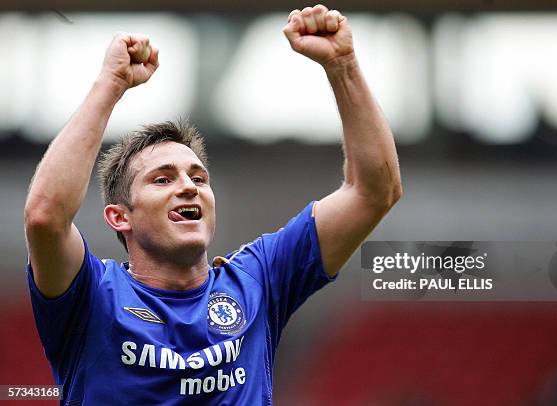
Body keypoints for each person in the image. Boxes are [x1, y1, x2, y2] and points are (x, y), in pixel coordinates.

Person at [24, 4, 401, 404]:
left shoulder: (259, 280)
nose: (189, 186)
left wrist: (343, 65)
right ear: (120, 217)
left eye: (198, 177)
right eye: (162, 179)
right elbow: (46, 216)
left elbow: (374, 191)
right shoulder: (93, 296)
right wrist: (110, 84)